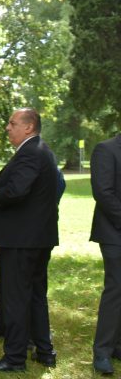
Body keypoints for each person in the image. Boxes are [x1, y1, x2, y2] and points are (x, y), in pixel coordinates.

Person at [0, 108, 59, 371]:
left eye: (12, 123)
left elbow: (17, 191)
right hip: (35, 238)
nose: (7, 128)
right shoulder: (40, 151)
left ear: (29, 127)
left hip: (22, 241)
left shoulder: (31, 152)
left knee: (17, 299)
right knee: (35, 295)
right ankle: (44, 351)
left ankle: (14, 358)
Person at [90, 134, 121, 375]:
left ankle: (117, 345)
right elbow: (103, 193)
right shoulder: (106, 149)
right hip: (114, 233)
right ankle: (101, 351)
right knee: (116, 290)